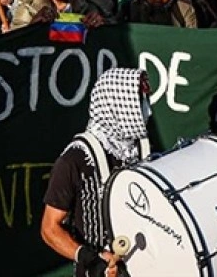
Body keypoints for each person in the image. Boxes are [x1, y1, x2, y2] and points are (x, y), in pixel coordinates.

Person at [41, 68, 150, 277]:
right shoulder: (74, 160)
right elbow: (49, 229)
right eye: (138, 104)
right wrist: (90, 259)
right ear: (117, 108)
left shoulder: (140, 147)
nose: (146, 111)